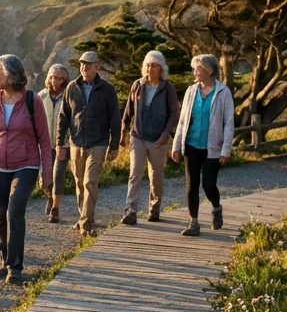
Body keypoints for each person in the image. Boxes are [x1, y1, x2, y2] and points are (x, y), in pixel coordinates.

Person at [0, 55, 52, 285]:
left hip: (26, 165)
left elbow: (44, 140)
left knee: (14, 211)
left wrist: (46, 173)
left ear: (11, 74)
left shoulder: (31, 100)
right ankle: (5, 260)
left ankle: (15, 267)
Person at [56, 50, 120, 235]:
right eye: (82, 64)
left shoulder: (107, 89)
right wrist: (60, 143)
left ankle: (86, 224)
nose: (84, 67)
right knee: (79, 182)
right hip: (76, 142)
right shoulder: (71, 88)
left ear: (97, 67)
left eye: (88, 65)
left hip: (98, 143)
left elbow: (114, 118)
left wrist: (114, 145)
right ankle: (83, 216)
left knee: (90, 183)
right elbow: (64, 116)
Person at [171, 54, 234, 237]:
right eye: (194, 68)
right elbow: (183, 120)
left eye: (197, 68)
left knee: (208, 185)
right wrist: (176, 145)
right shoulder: (191, 91)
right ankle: (194, 223)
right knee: (192, 185)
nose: (195, 72)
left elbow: (229, 123)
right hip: (191, 145)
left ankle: (216, 207)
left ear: (209, 70)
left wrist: (226, 149)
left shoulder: (223, 92)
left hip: (212, 147)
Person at [120, 51, 180, 225]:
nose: (150, 68)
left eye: (154, 65)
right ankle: (130, 210)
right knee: (135, 173)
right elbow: (128, 110)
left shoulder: (167, 87)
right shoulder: (137, 85)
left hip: (158, 139)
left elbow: (174, 114)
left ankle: (154, 208)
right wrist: (123, 131)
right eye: (147, 65)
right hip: (137, 136)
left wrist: (165, 134)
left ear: (161, 68)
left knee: (156, 176)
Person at [36, 64, 72, 223]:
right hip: (44, 144)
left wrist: (67, 142)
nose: (54, 80)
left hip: (63, 144)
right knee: (45, 178)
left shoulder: (68, 96)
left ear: (64, 80)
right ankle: (49, 197)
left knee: (58, 175)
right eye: (51, 76)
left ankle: (55, 209)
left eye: (58, 77)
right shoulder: (41, 96)